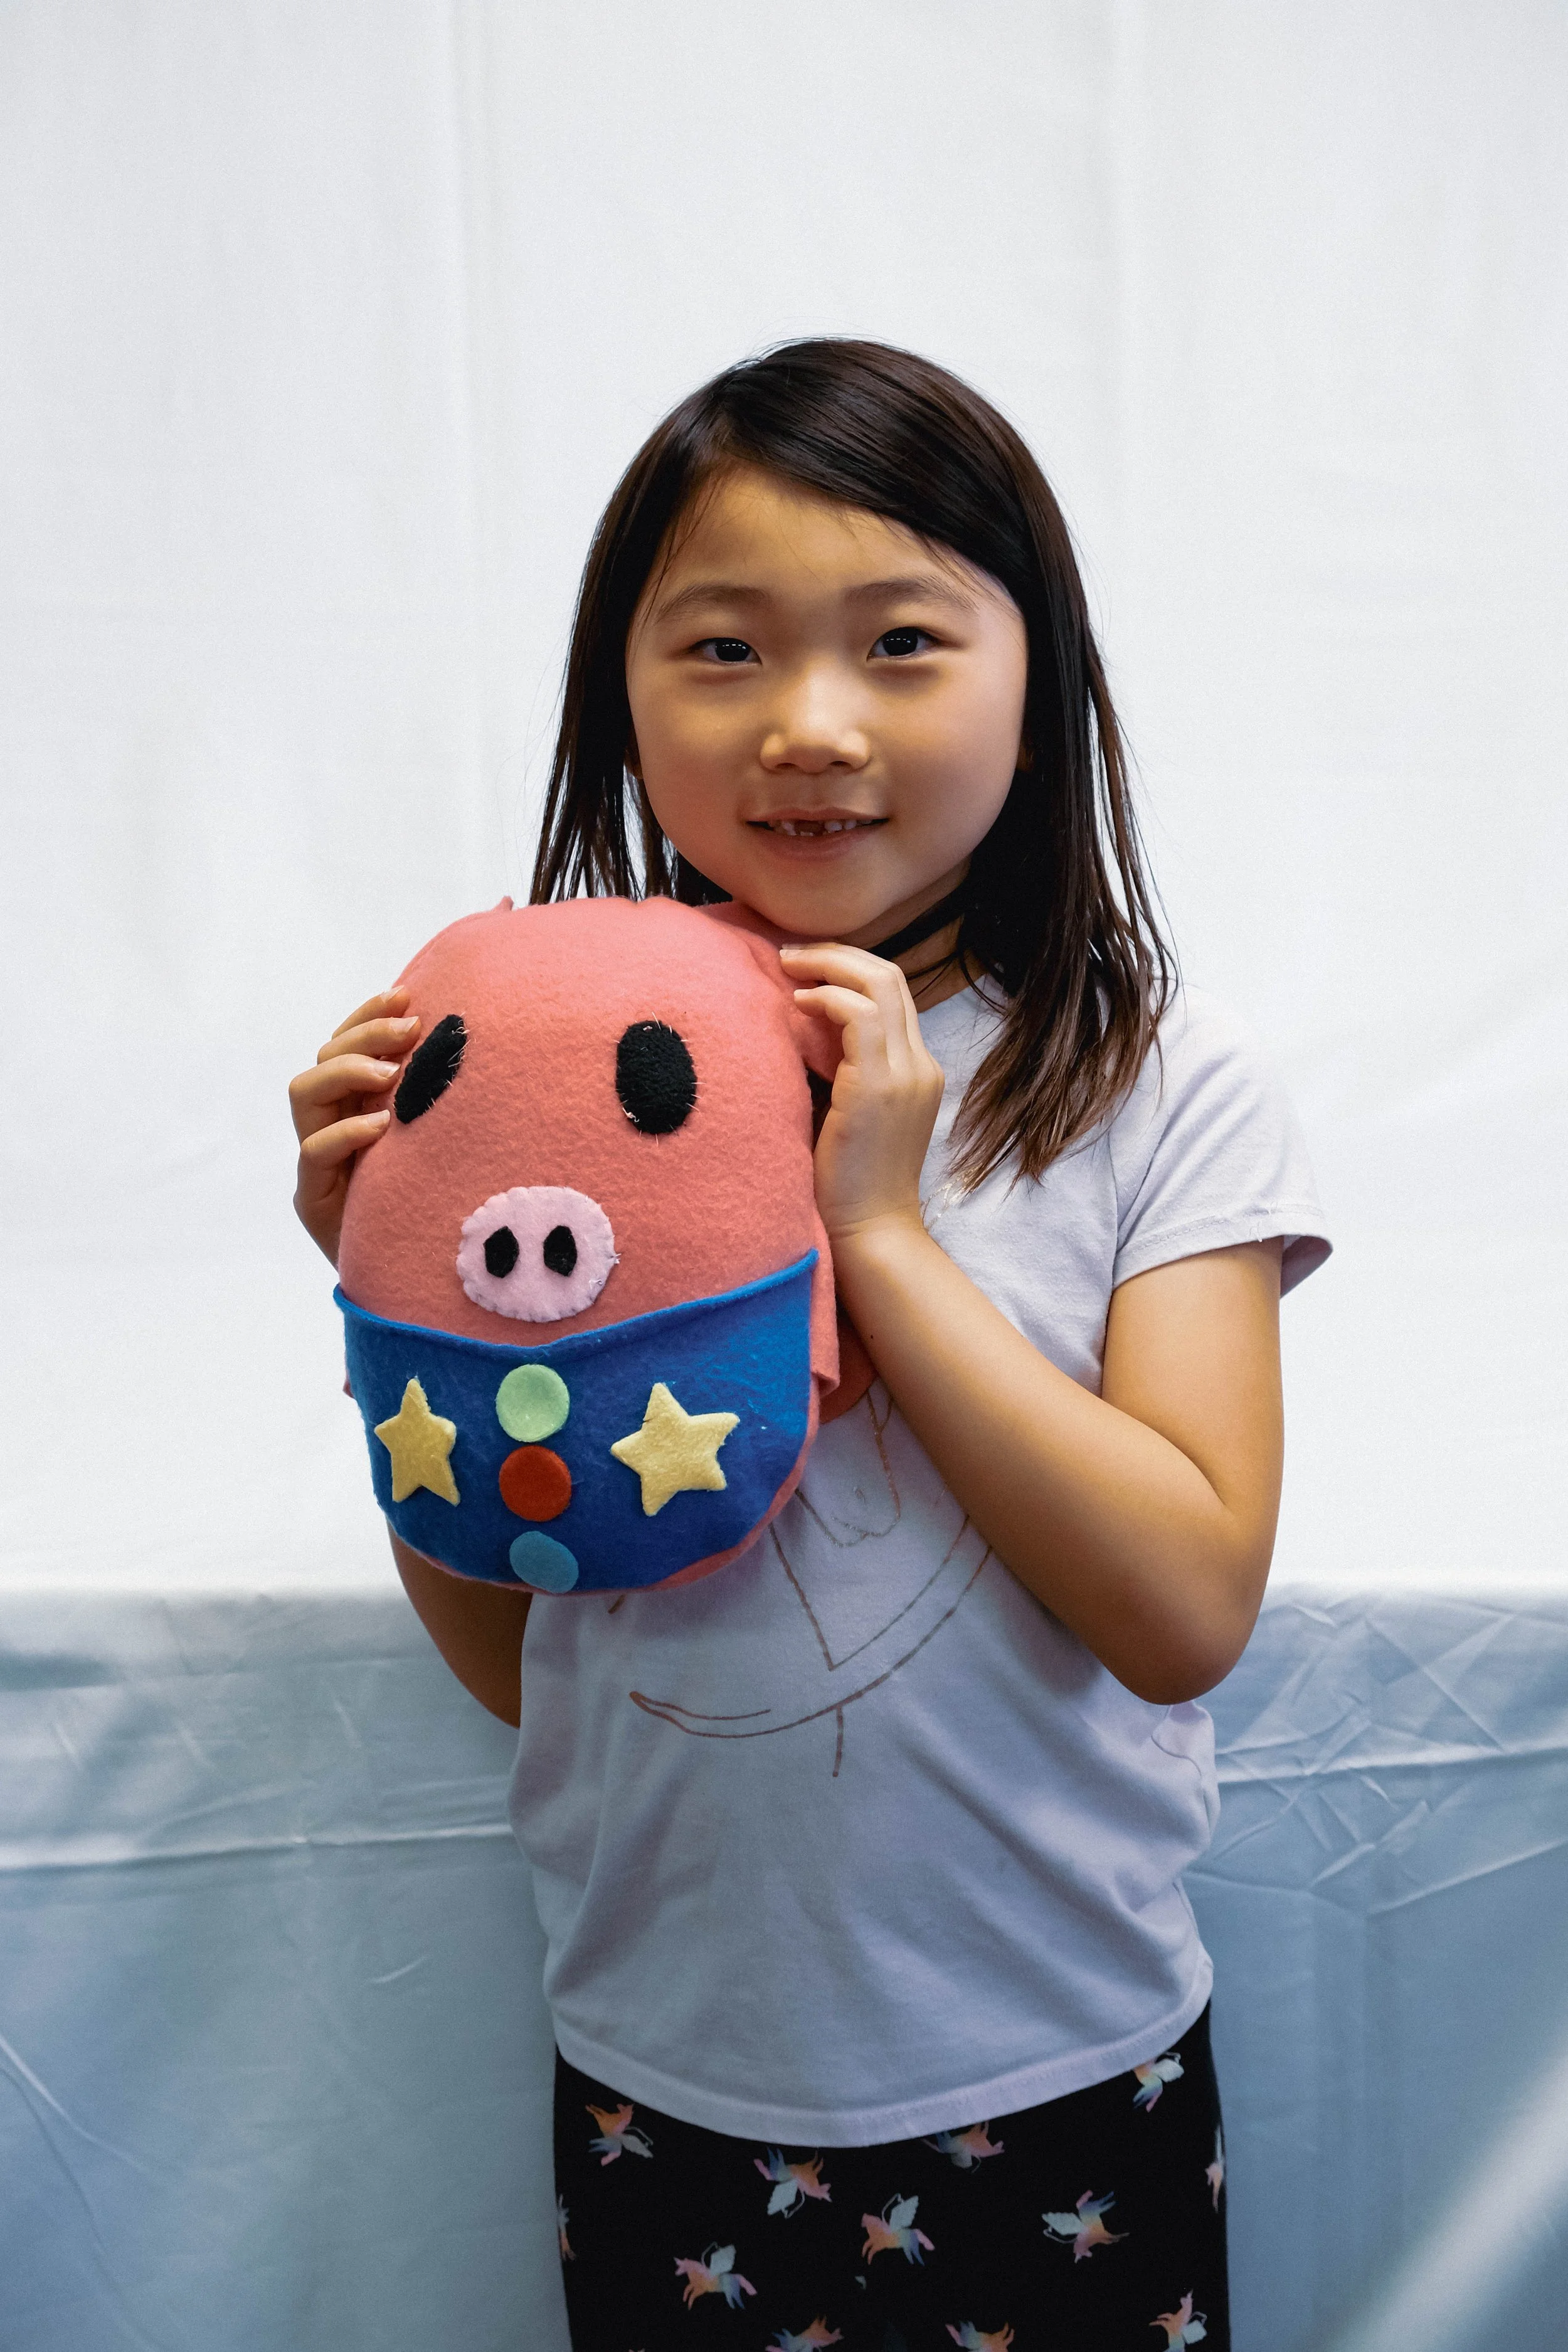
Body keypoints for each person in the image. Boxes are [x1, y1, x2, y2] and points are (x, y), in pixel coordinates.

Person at [289, 341, 1329, 2351]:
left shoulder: (1145, 1081)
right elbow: (523, 1656)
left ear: (1047, 676)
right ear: (623, 689)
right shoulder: (525, 1076)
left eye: (905, 640)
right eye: (724, 649)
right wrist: (398, 1304)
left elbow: (1185, 1603)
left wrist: (876, 1225)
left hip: (1062, 2066)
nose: (812, 724)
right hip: (664, 2080)